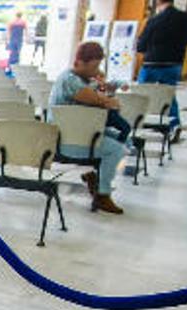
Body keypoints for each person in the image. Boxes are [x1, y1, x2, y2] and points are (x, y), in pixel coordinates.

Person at [50, 41, 129, 214]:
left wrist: (100, 85)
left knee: (123, 140)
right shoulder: (71, 81)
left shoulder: (76, 79)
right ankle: (102, 194)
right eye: (94, 66)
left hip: (77, 133)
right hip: (69, 140)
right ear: (79, 63)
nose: (96, 71)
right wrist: (107, 98)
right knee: (116, 150)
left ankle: (94, 176)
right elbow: (103, 102)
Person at [136, 0, 187, 141]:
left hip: (152, 64)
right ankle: (174, 124)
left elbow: (141, 46)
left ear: (158, 3)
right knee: (169, 95)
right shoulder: (185, 18)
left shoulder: (154, 20)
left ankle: (136, 124)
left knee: (140, 94)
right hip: (174, 64)